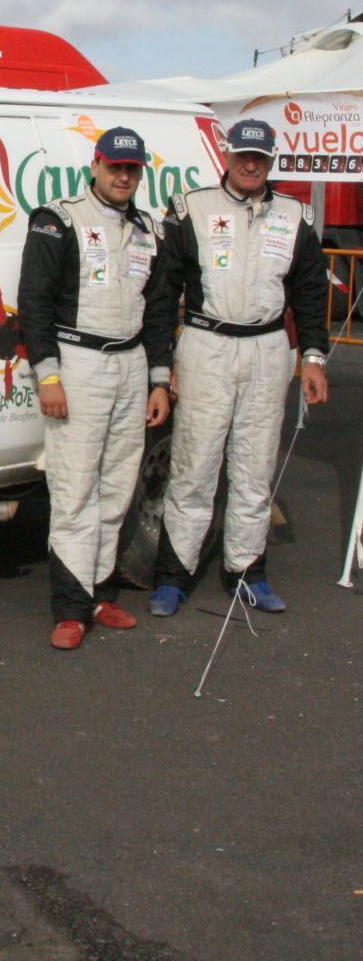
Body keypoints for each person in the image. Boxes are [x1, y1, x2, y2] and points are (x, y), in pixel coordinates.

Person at [148, 119, 329, 617]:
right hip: (208, 343)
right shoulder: (192, 208)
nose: (251, 165)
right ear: (227, 156)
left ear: (272, 161)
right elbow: (163, 293)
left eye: (261, 157)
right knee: (195, 463)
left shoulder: (296, 215)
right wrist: (161, 368)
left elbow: (311, 293)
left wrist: (313, 357)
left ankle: (247, 570)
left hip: (269, 348)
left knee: (255, 465)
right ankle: (173, 576)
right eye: (243, 155)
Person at [16, 127, 174, 650]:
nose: (123, 176)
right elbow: (33, 302)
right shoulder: (58, 220)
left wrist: (158, 381)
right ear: (96, 166)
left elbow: (158, 312)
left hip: (130, 362)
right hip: (78, 362)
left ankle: (100, 593)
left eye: (132, 169)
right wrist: (49, 374)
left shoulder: (149, 229)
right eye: (115, 167)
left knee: (117, 486)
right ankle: (69, 607)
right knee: (75, 486)